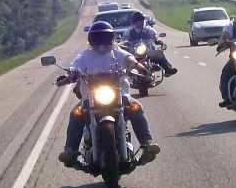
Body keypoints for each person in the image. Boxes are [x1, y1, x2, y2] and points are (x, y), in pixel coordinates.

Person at [58, 21, 161, 165]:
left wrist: (140, 68)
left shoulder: (116, 51)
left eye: (105, 37)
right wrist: (70, 74)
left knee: (136, 107)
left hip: (120, 95)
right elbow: (76, 65)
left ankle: (147, 143)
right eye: (98, 37)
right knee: (76, 113)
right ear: (91, 39)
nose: (101, 41)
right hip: (91, 97)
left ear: (111, 38)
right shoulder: (85, 55)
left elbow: (129, 59)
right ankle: (70, 150)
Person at [121, 11, 177, 76]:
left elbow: (154, 36)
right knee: (125, 58)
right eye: (139, 20)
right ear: (134, 21)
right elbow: (125, 39)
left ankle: (167, 69)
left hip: (148, 51)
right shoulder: (129, 31)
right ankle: (125, 74)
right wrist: (124, 44)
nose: (141, 21)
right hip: (134, 52)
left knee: (159, 53)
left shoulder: (148, 30)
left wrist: (158, 41)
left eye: (142, 19)